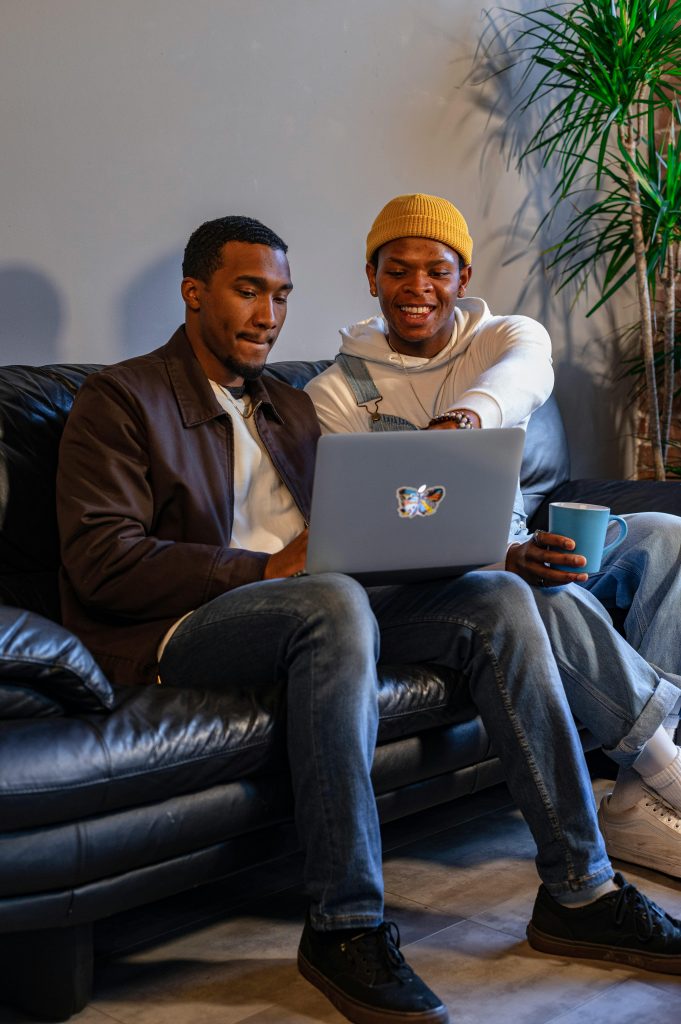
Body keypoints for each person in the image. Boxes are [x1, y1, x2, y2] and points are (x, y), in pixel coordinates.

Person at [57, 216, 681, 1024]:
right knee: (333, 597)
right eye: (248, 292)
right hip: (190, 624)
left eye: (280, 296)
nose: (269, 315)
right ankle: (343, 925)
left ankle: (579, 888)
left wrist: (493, 554)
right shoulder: (122, 398)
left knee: (496, 601)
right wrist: (265, 568)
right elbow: (101, 561)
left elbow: (385, 520)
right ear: (194, 293)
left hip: (321, 601)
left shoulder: (288, 406)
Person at [306, 192, 681, 882]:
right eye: (397, 269)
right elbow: (375, 526)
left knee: (664, 536)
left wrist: (456, 428)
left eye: (437, 270)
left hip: (515, 542)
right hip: (439, 573)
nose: (417, 288)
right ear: (370, 276)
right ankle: (665, 771)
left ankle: (632, 799)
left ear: (463, 278)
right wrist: (498, 555)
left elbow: (524, 373)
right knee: (529, 592)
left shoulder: (503, 337)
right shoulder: (338, 389)